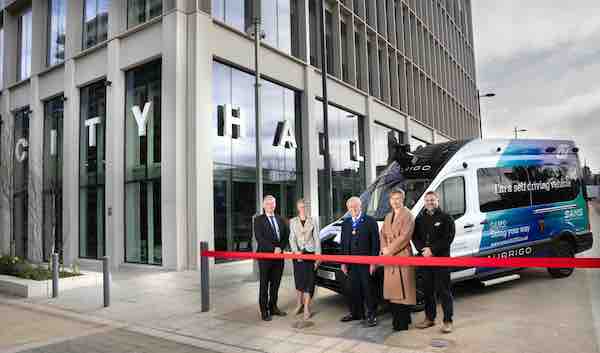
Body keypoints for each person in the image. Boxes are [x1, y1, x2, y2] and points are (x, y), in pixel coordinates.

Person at [413, 191, 456, 333]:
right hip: (425, 260)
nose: (430, 202)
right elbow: (415, 237)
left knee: (444, 291)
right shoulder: (419, 219)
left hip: (441, 260)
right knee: (427, 291)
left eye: (432, 200)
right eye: (427, 200)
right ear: (424, 202)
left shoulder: (446, 217)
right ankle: (429, 319)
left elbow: (448, 238)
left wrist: (432, 250)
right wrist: (422, 250)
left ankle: (448, 321)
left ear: (437, 201)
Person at [339, 196, 380, 327]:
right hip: (351, 263)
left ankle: (372, 315)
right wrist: (343, 262)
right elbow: (343, 244)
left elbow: (376, 243)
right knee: (353, 289)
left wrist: (373, 262)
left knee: (368, 289)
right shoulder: (345, 223)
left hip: (366, 263)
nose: (353, 209)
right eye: (350, 207)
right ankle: (356, 313)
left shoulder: (370, 221)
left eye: (355, 206)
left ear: (360, 206)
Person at [379, 189, 416, 331]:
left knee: (404, 291)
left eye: (398, 198)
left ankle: (403, 322)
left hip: (402, 255)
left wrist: (389, 249)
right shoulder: (388, 216)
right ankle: (399, 320)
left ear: (403, 199)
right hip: (390, 256)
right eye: (393, 199)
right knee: (393, 291)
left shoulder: (408, 215)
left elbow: (405, 237)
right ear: (390, 201)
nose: (395, 201)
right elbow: (382, 234)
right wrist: (384, 249)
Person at [253, 195, 290, 321]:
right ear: (264, 205)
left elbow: (286, 235)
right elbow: (259, 238)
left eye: (273, 203)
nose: (271, 206)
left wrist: (280, 247)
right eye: (268, 203)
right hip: (265, 257)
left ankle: (273, 307)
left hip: (279, 257)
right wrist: (273, 249)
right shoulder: (258, 220)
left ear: (275, 205)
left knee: (276, 284)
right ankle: (264, 311)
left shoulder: (281, 219)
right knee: (264, 284)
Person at [289, 198, 321, 321]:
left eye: (304, 206)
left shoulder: (313, 220)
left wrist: (318, 257)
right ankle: (299, 305)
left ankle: (307, 307)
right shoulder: (293, 221)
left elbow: (317, 239)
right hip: (298, 255)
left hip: (310, 253)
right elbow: (291, 239)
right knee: (299, 281)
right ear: (297, 208)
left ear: (307, 208)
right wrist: (296, 253)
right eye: (300, 206)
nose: (302, 208)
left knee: (309, 282)